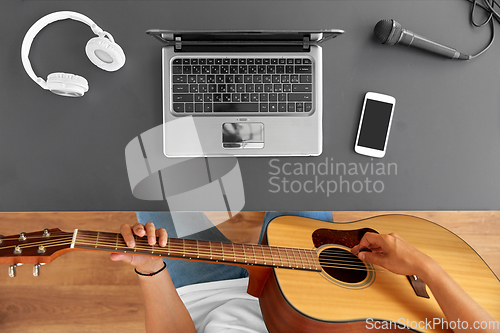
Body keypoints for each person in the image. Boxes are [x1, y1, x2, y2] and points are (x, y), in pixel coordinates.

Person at [110, 212, 498, 333]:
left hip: (203, 295)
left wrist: (151, 269)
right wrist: (422, 266)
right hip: (316, 268)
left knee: (157, 156)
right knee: (303, 154)